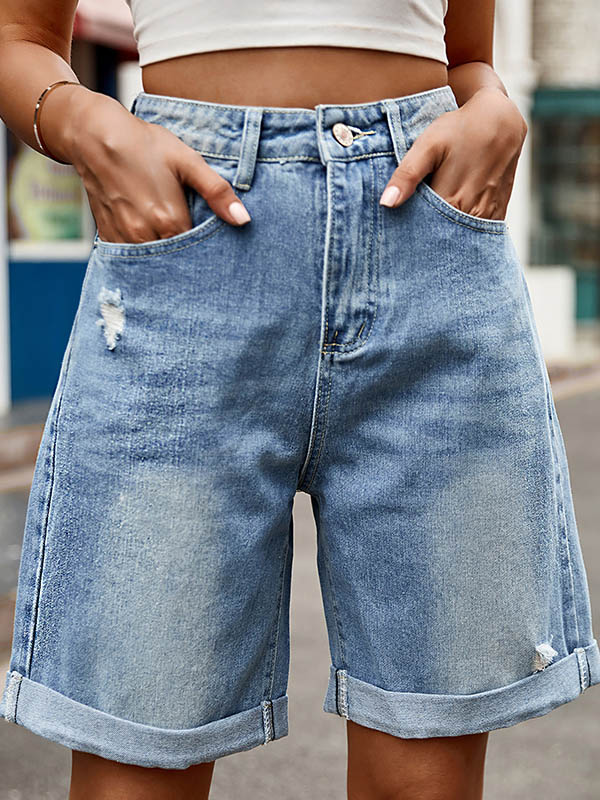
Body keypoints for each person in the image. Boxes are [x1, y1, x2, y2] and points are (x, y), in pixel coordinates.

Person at [0, 1, 598, 798]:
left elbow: (465, 57)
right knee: (136, 762)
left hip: (427, 246)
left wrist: (490, 104)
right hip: (187, 250)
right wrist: (82, 122)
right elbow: (18, 40)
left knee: (425, 781)